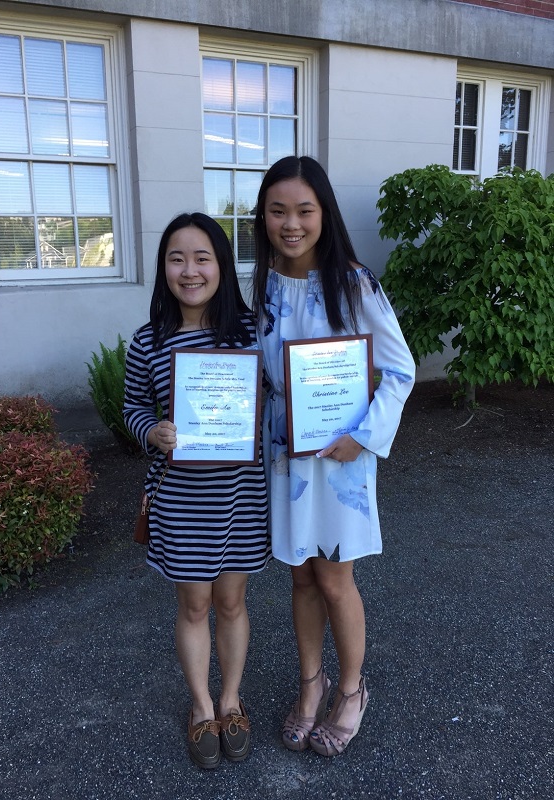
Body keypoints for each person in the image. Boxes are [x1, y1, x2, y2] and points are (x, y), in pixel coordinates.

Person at [251, 156, 415, 757]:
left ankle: (351, 691)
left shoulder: (354, 283)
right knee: (300, 574)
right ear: (262, 216)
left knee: (335, 576)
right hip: (285, 458)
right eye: (277, 211)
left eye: (304, 211)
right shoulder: (263, 280)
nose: (290, 224)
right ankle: (310, 685)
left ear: (324, 214)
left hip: (342, 457)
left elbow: (401, 370)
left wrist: (366, 436)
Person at [123, 212, 270, 770]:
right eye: (176, 258)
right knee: (195, 603)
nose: (189, 270)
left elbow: (280, 393)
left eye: (202, 257)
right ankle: (202, 706)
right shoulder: (149, 341)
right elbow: (134, 406)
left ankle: (231, 699)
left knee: (232, 601)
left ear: (222, 266)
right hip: (182, 497)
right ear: (164, 269)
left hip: (240, 492)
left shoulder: (250, 331)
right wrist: (151, 431)